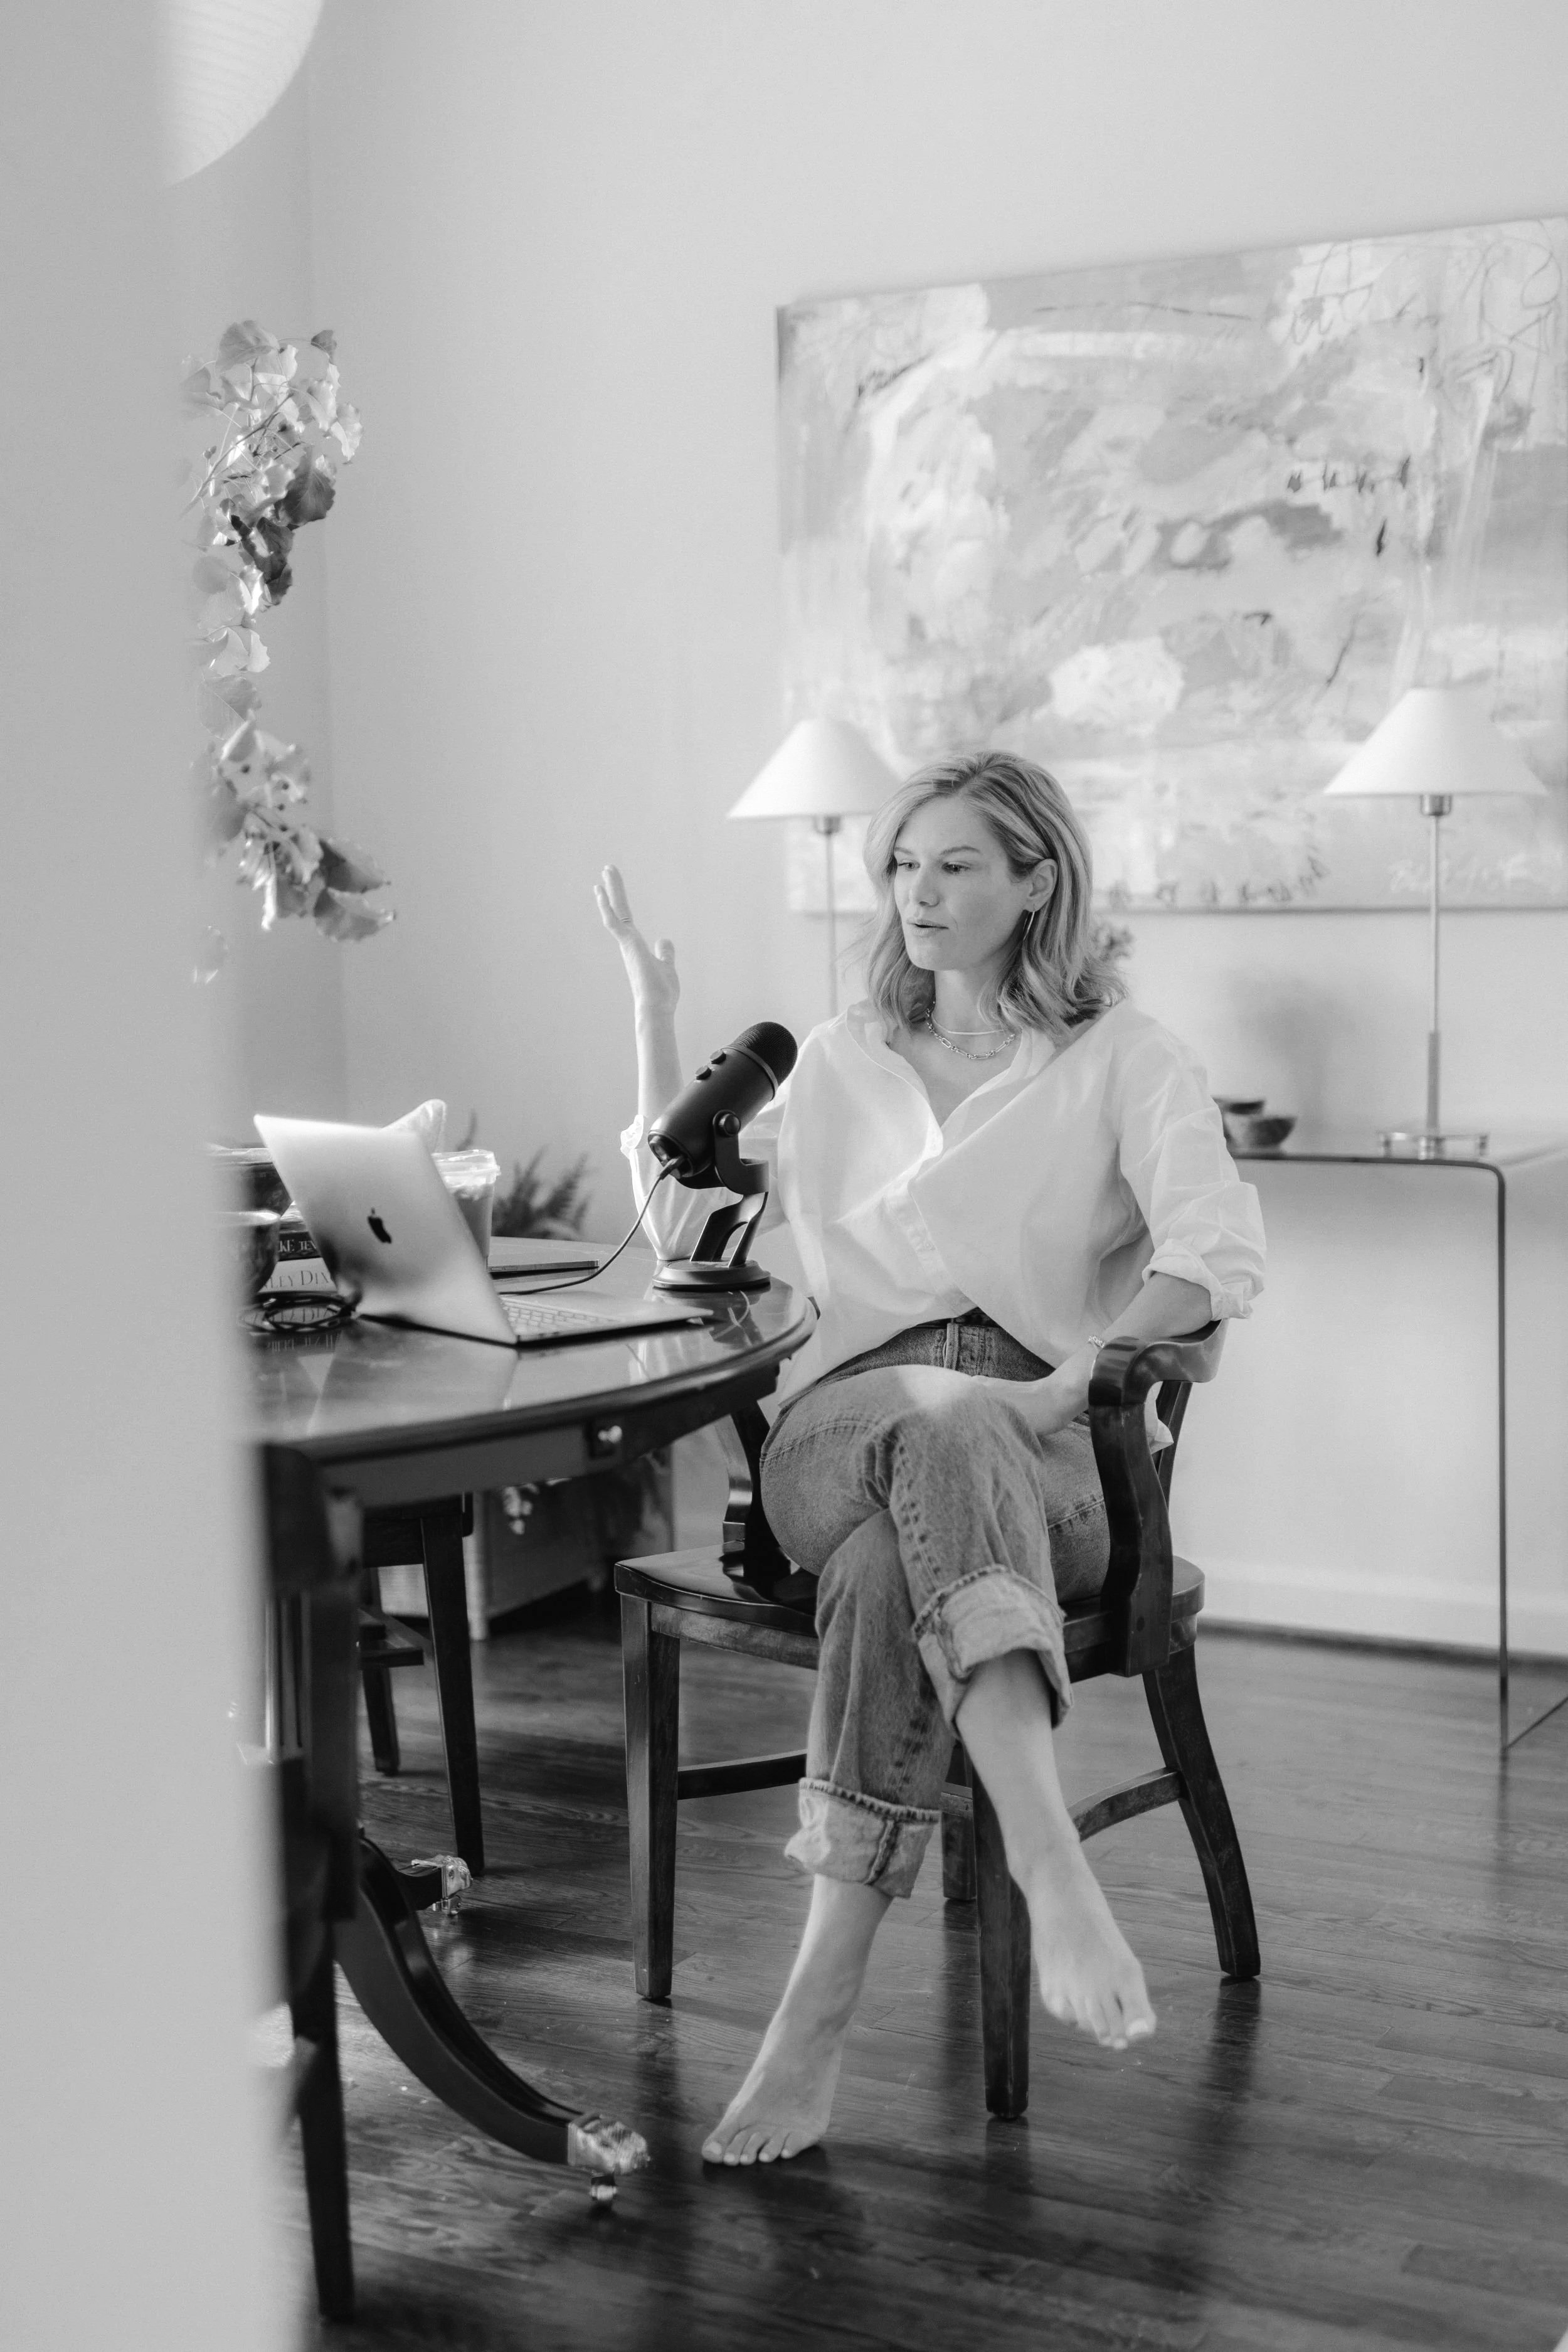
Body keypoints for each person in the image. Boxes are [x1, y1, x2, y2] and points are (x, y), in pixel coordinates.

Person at [596, 748, 1265, 2169]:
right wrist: (657, 1028)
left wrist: (1073, 1384)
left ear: (1036, 882)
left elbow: (1213, 1251)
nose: (918, 891)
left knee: (886, 1568)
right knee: (924, 1423)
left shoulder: (1121, 1058)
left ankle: (816, 2009)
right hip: (838, 1431)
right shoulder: (836, 1060)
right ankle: (1042, 1847)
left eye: (955, 863)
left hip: (1048, 1450)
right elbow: (685, 1246)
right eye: (902, 864)